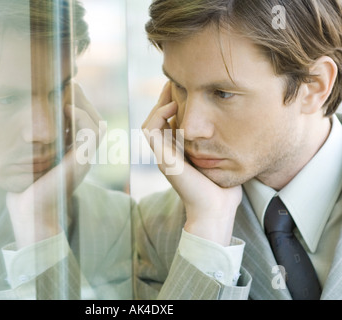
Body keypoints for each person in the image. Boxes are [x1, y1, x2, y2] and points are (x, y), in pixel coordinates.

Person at [0, 0, 132, 300]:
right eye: (7, 100)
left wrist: (40, 232)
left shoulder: (113, 224)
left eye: (57, 91)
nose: (46, 132)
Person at [136, 0, 342, 299]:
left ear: (314, 85)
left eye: (223, 93)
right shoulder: (159, 230)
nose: (190, 127)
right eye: (179, 86)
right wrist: (209, 229)